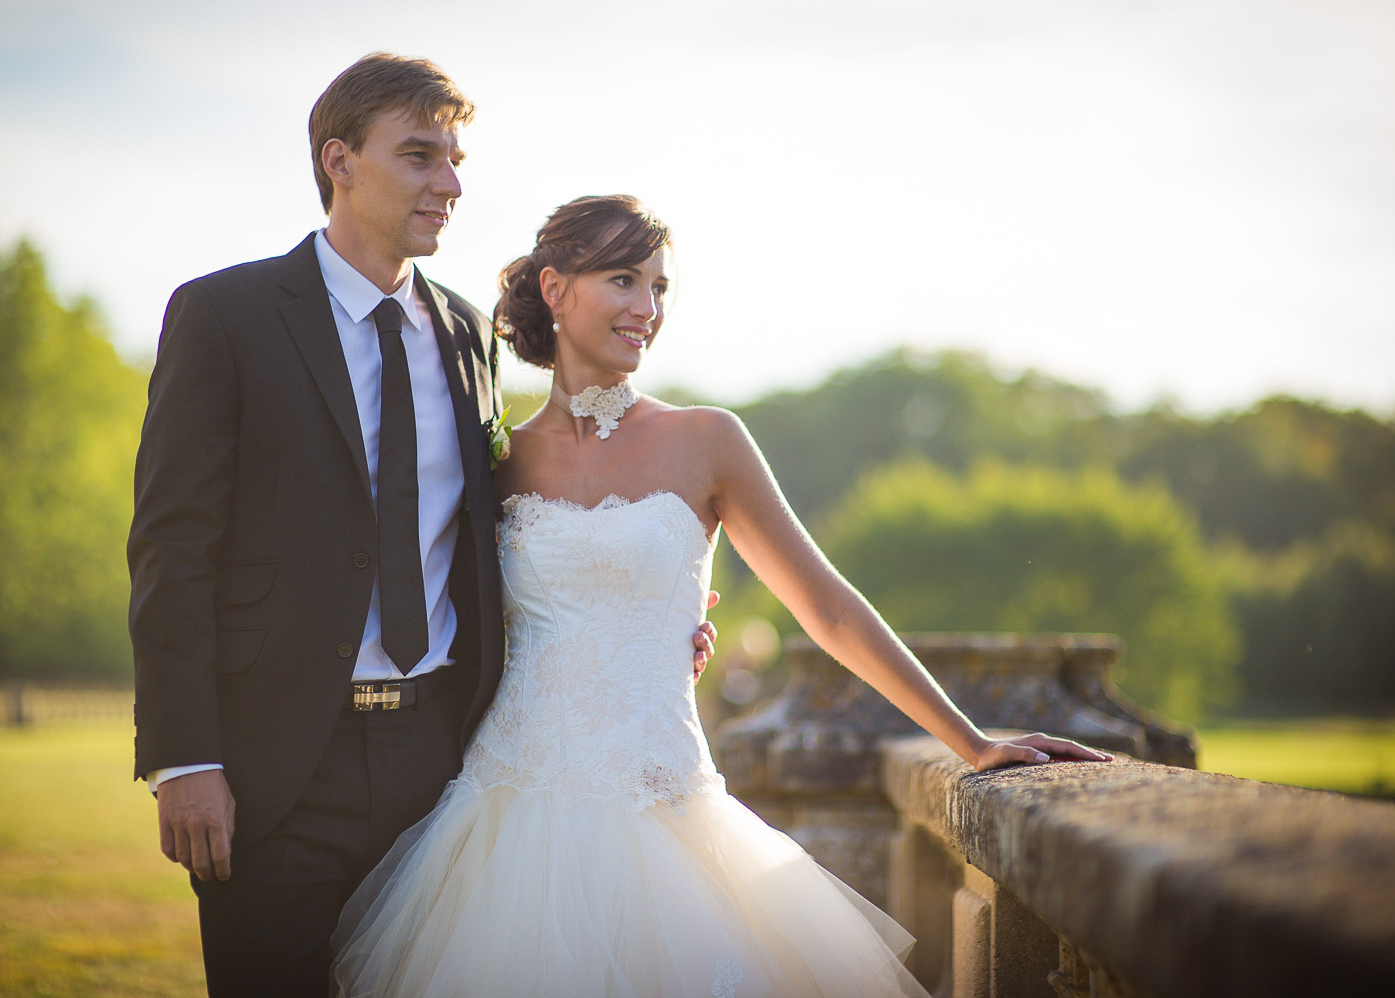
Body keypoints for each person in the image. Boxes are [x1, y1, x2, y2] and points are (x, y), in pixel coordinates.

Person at [330, 195, 1113, 997]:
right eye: (624, 280)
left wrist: (971, 742)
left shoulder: (707, 441)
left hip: (666, 809)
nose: (649, 309)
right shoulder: (496, 460)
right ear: (556, 289)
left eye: (661, 288)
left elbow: (828, 607)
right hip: (502, 820)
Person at [127, 56, 719, 995]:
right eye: (419, 156)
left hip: (443, 766)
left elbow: (488, 535)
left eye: (455, 159)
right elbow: (172, 548)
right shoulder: (225, 315)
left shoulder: (464, 332)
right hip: (273, 766)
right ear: (340, 162)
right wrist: (182, 757)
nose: (449, 184)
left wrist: (643, 612)